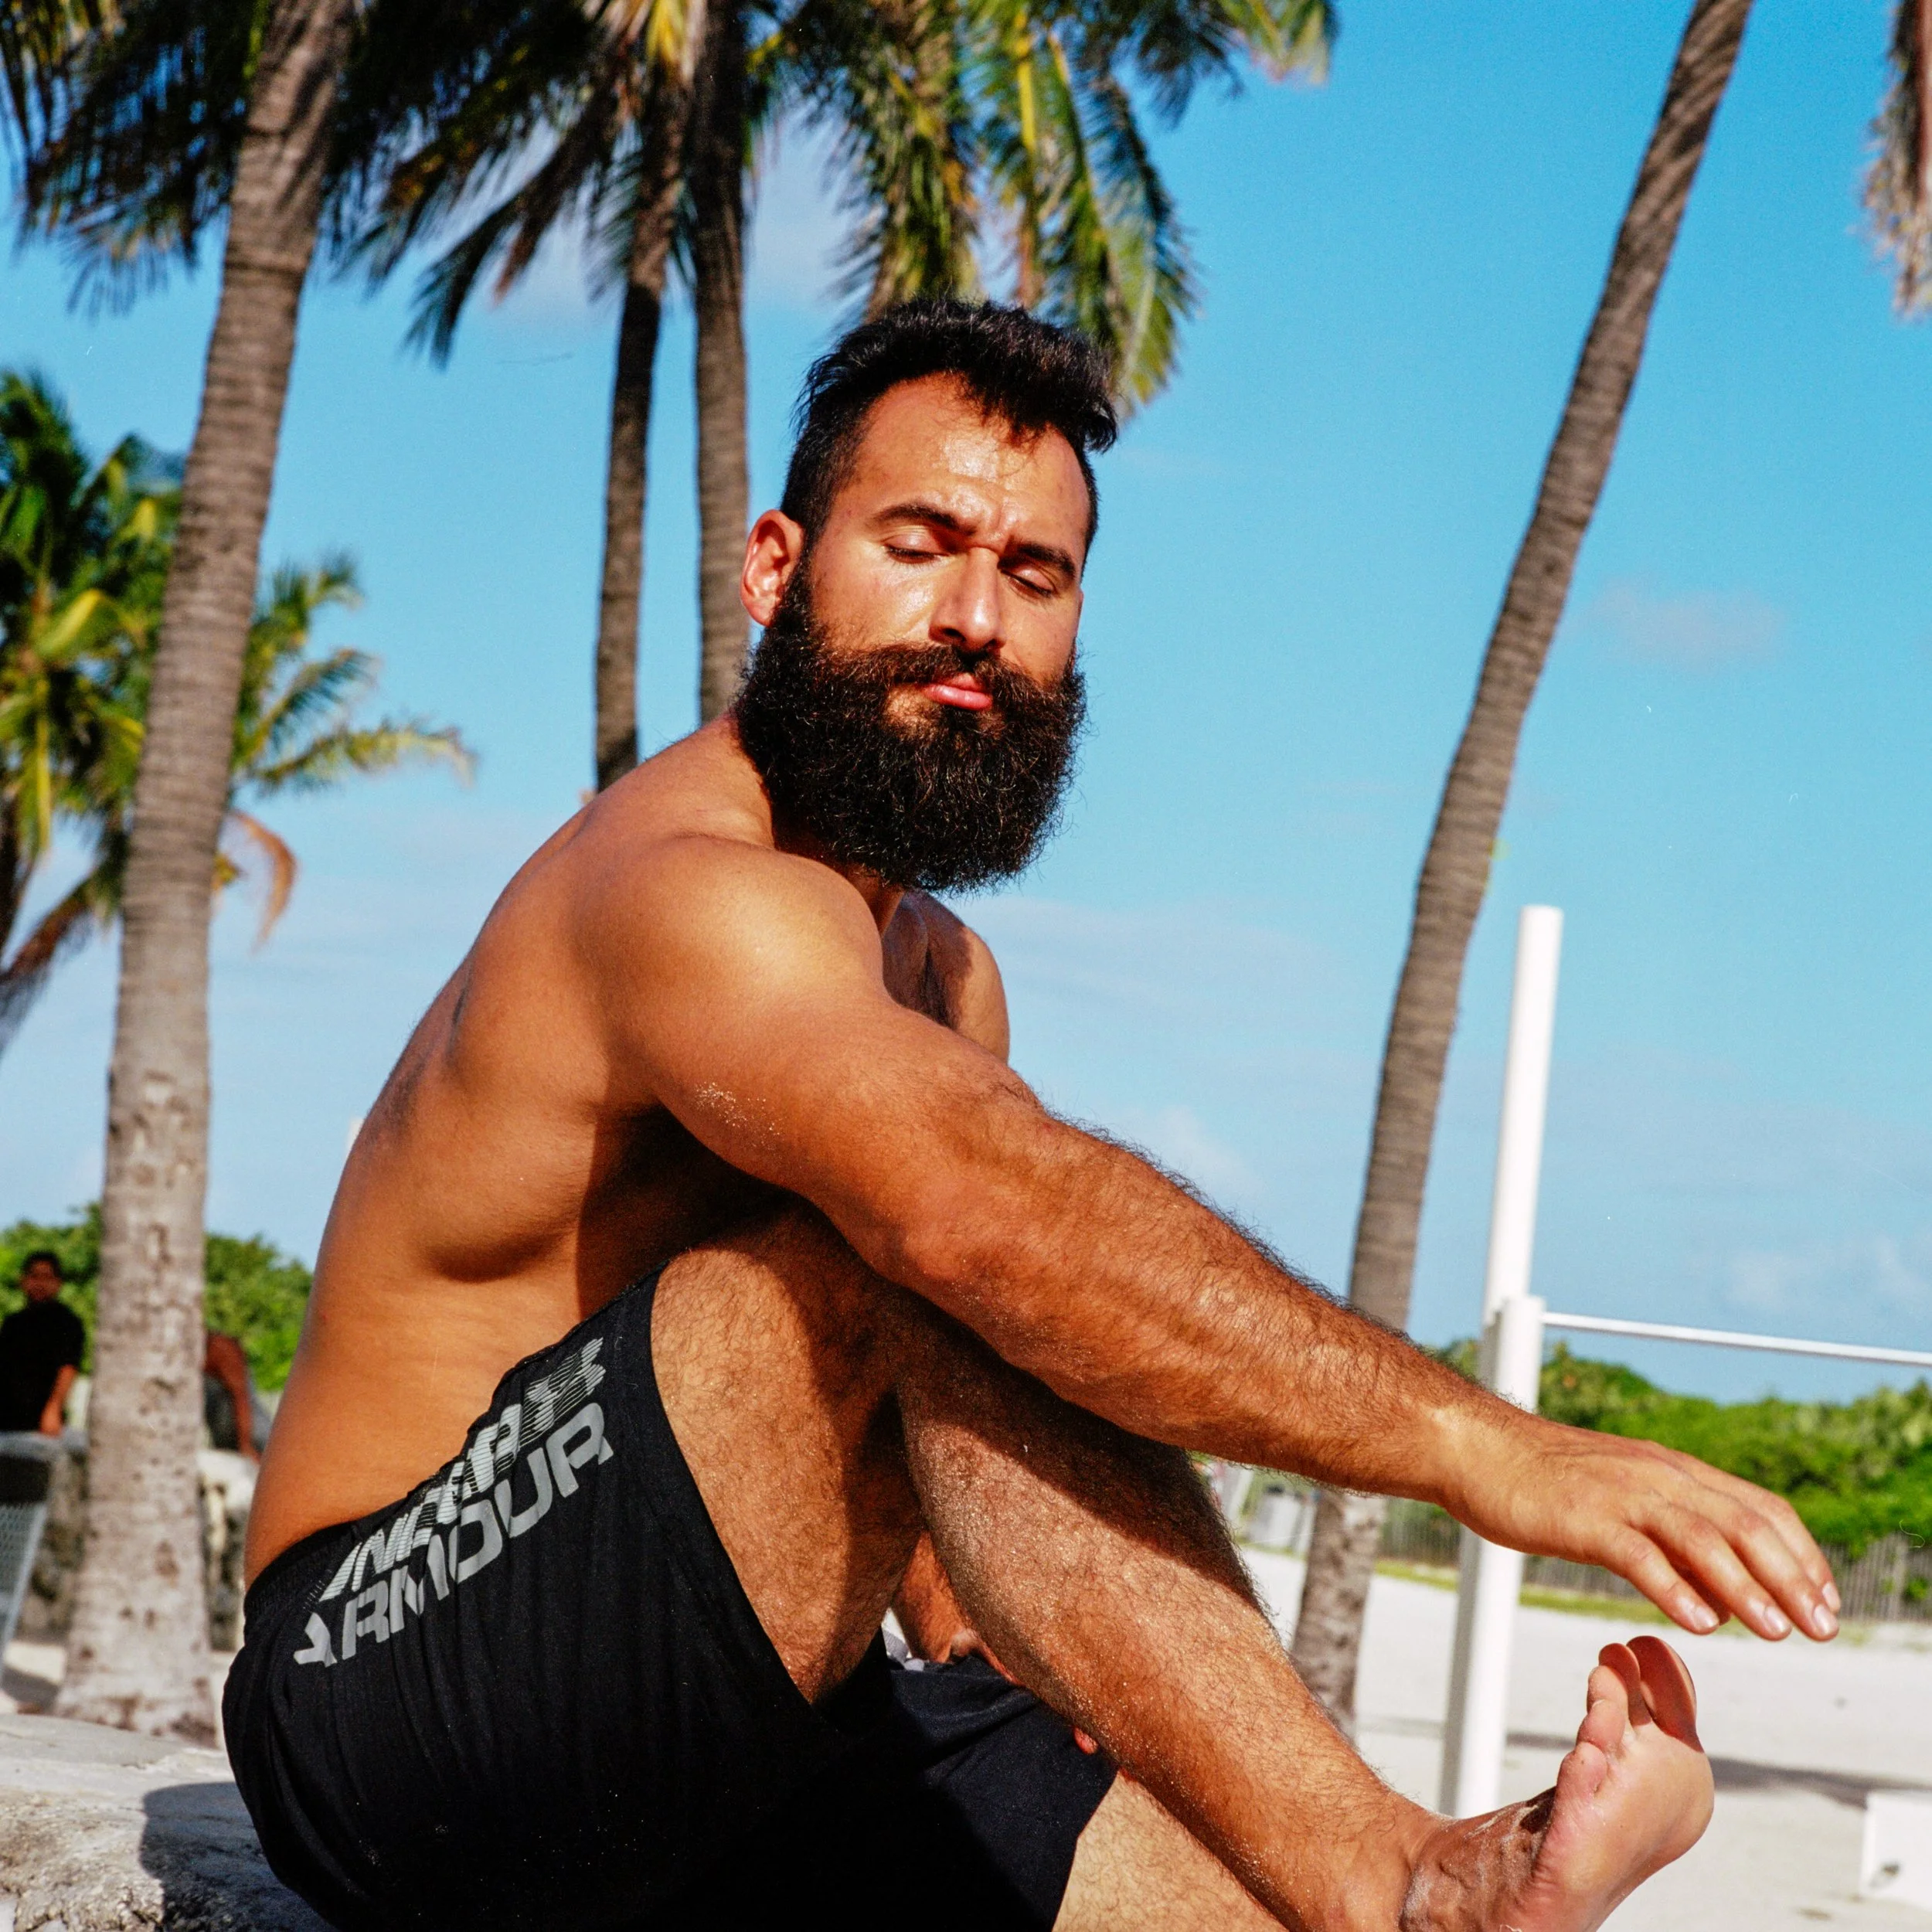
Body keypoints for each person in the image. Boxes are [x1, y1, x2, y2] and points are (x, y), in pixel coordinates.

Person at [229, 301, 1838, 1932]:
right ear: (776, 567)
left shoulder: (937, 970)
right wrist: (1485, 1446)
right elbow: (973, 1224)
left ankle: (1415, 1898)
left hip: (727, 1717)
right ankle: (1390, 1866)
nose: (973, 618)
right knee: (898, 1248)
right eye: (918, 544)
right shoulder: (687, 894)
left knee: (1181, 1841)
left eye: (1033, 574)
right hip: (379, 1699)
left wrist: (1056, 1676)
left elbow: (928, 1443)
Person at [0, 1251, 84, 1437]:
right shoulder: (12, 1323)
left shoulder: (68, 1322)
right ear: (23, 1280)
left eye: (47, 1277)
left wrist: (53, 1410)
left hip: (43, 1423)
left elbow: (68, 1367)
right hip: (7, 1420)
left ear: (58, 1283)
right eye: (34, 1276)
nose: (40, 1283)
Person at [205, 1329, 269, 1462]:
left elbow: (241, 1397)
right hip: (233, 1432)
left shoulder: (219, 1348)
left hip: (249, 1431)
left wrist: (246, 1445)